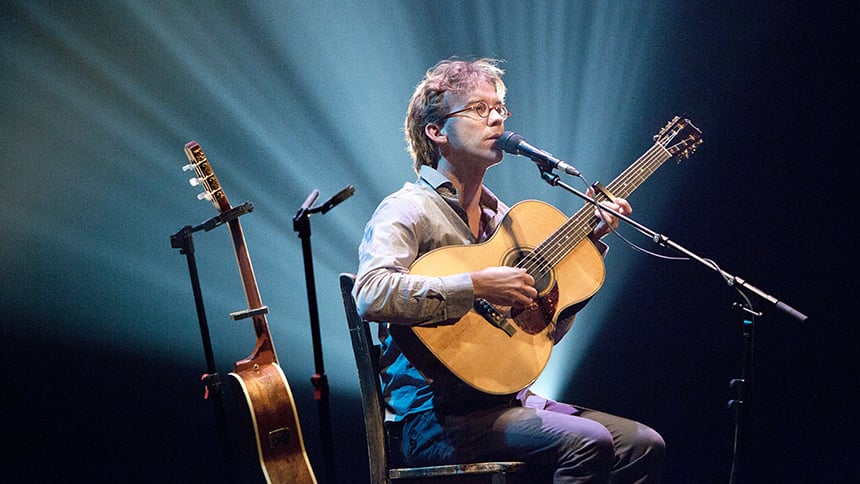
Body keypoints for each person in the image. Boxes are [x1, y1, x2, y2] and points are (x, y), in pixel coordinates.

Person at [353, 57, 665, 483]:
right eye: (480, 109)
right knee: (588, 442)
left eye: (500, 108)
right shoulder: (407, 209)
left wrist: (586, 247)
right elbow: (371, 294)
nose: (497, 117)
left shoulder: (506, 220)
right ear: (436, 131)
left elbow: (544, 331)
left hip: (505, 400)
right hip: (434, 415)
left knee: (642, 443)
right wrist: (475, 285)